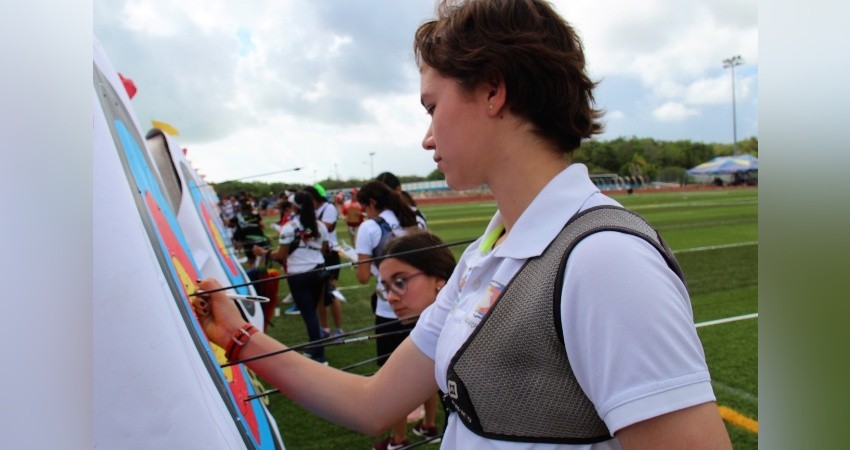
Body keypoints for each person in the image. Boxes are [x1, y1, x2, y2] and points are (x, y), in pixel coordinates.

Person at [194, 1, 732, 448]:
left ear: (493, 91)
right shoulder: (486, 254)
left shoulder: (603, 260)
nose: (427, 137)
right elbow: (373, 403)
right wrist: (238, 337)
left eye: (432, 106)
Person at [371, 231, 455, 449]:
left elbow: (371, 408)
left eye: (400, 282)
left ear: (438, 279)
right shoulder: (435, 330)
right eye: (386, 287)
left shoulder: (466, 332)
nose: (390, 296)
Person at [354, 181, 426, 366]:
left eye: (364, 207)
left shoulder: (369, 227)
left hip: (390, 308)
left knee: (393, 373)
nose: (364, 212)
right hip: (422, 304)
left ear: (372, 202)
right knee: (424, 375)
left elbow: (362, 277)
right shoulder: (417, 218)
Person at [259, 191, 330, 364]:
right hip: (319, 270)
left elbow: (281, 255)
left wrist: (264, 253)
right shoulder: (320, 225)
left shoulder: (289, 227)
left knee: (309, 314)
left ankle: (319, 355)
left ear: (293, 207)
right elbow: (325, 249)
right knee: (312, 311)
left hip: (299, 274)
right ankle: (314, 346)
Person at [302, 185, 346, 338]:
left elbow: (322, 229)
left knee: (331, 293)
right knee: (319, 296)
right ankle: (325, 328)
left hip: (330, 253)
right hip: (317, 257)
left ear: (313, 198)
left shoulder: (329, 208)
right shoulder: (311, 211)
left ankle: (339, 329)